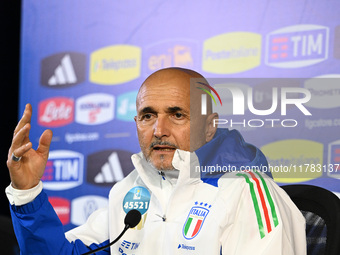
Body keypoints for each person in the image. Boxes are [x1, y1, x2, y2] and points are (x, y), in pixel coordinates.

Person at [6, 67, 306, 254]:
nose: (159, 130)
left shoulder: (247, 193)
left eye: (177, 115)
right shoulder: (129, 190)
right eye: (148, 116)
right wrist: (28, 192)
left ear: (210, 126)